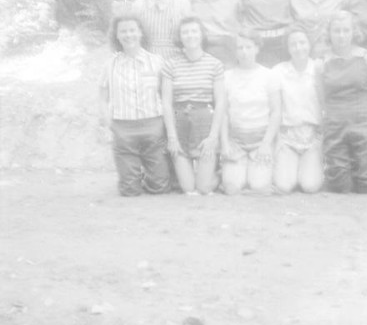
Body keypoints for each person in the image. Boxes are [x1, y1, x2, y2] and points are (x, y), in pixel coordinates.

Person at [99, 14, 171, 196]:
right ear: (116, 35)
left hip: (153, 127)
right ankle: (130, 176)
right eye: (123, 31)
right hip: (123, 129)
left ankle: (148, 176)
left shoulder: (157, 62)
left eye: (132, 30)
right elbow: (102, 97)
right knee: (129, 191)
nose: (128, 35)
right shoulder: (110, 65)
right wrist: (107, 123)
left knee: (160, 188)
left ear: (140, 33)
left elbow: (166, 97)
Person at [162, 16, 224, 194]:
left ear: (202, 34)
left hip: (204, 122)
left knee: (204, 188)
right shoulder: (170, 65)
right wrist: (172, 136)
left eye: (194, 31)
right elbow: (166, 102)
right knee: (189, 189)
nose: (190, 35)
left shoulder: (214, 64)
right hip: (179, 122)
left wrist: (213, 137)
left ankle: (220, 173)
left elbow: (220, 103)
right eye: (185, 32)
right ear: (180, 36)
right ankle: (190, 173)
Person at [321, 10, 367, 193]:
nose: (341, 36)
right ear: (329, 33)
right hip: (335, 121)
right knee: (339, 186)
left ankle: (364, 167)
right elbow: (321, 97)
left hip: (362, 118)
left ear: (354, 31)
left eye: (346, 30)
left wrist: (366, 116)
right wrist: (331, 118)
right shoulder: (322, 61)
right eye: (336, 31)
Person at [220, 29, 281, 194]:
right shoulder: (227, 77)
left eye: (248, 47)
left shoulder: (269, 75)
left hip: (260, 142)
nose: (244, 52)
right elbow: (223, 114)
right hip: (236, 142)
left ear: (257, 48)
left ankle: (255, 172)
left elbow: (276, 112)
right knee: (232, 187)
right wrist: (225, 144)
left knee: (259, 186)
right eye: (240, 48)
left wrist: (266, 144)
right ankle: (236, 169)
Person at [272, 28, 324, 194]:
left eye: (302, 42)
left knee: (310, 186)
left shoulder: (318, 68)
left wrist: (321, 140)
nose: (298, 47)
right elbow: (276, 109)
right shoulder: (278, 71)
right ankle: (291, 166)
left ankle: (312, 164)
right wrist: (278, 139)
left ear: (309, 45)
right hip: (288, 137)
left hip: (312, 136)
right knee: (284, 186)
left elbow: (325, 105)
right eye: (293, 44)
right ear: (288, 48)